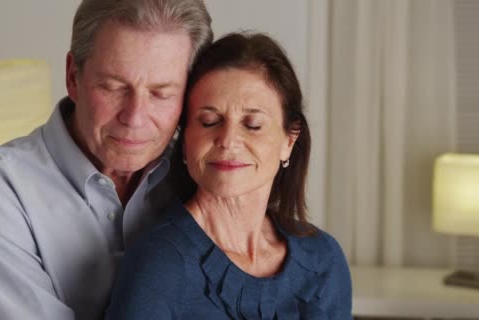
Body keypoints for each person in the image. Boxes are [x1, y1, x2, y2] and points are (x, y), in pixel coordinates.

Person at [0, 1, 212, 319]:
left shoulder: (205, 177)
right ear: (73, 76)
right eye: (113, 87)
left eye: (161, 94)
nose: (134, 118)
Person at [107, 32, 352, 319]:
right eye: (210, 121)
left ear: (290, 140)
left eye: (253, 124)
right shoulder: (158, 265)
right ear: (185, 140)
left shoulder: (323, 259)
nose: (228, 140)